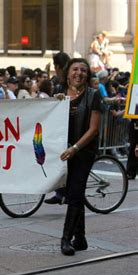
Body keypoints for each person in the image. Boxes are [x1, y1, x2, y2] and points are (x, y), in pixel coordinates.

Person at [57, 58, 101, 256]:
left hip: (83, 152)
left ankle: (66, 239)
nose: (79, 73)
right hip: (63, 153)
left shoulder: (94, 95)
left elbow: (93, 130)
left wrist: (75, 148)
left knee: (74, 193)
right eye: (75, 69)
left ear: (88, 75)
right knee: (76, 192)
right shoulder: (58, 94)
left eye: (83, 70)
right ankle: (80, 238)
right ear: (67, 73)